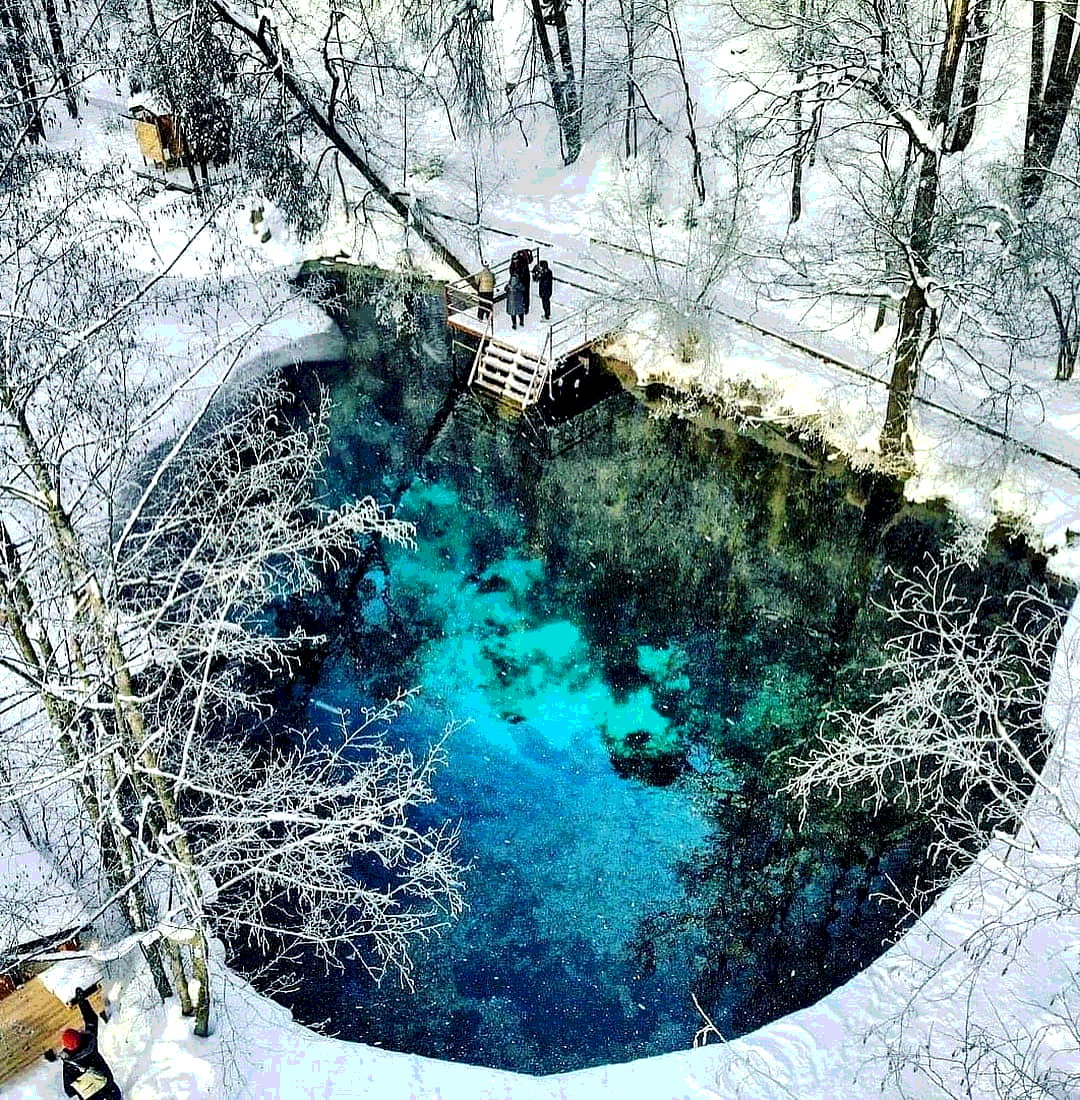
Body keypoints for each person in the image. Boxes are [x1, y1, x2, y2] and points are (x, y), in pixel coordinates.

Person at [44, 986, 122, 1100]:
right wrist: (81, 1000)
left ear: (67, 1047)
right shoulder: (90, 1045)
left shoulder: (69, 1065)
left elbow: (69, 1091)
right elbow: (91, 1020)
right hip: (111, 1093)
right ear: (80, 1037)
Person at [510, 248, 532, 314]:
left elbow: (525, 272)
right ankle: (520, 306)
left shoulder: (523, 263)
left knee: (526, 293)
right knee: (519, 293)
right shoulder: (513, 263)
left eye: (516, 260)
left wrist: (519, 275)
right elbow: (511, 269)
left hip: (525, 279)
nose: (515, 262)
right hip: (518, 279)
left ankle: (526, 308)